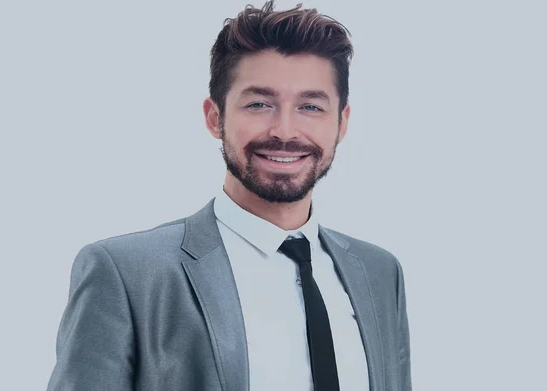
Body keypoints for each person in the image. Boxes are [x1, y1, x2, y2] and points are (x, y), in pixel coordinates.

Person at [46, 1, 412, 390]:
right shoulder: (126, 274)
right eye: (259, 104)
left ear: (341, 123)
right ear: (215, 117)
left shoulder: (379, 272)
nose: (285, 130)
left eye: (310, 106)